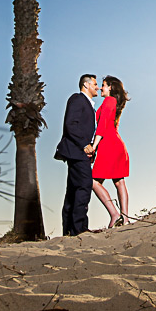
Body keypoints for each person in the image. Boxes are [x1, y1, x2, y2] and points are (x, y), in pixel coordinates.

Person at [54, 74, 98, 236]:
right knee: (84, 185)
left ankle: (69, 230)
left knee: (73, 191)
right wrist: (84, 144)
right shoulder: (77, 99)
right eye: (95, 84)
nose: (98, 87)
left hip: (78, 152)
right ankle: (79, 229)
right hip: (76, 151)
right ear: (86, 85)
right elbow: (70, 124)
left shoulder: (86, 103)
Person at [91, 75, 130, 228]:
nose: (101, 88)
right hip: (114, 144)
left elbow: (102, 126)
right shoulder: (113, 102)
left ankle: (115, 215)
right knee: (119, 182)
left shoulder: (109, 100)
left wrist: (94, 146)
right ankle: (125, 218)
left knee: (93, 182)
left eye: (103, 85)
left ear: (111, 88)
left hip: (109, 145)